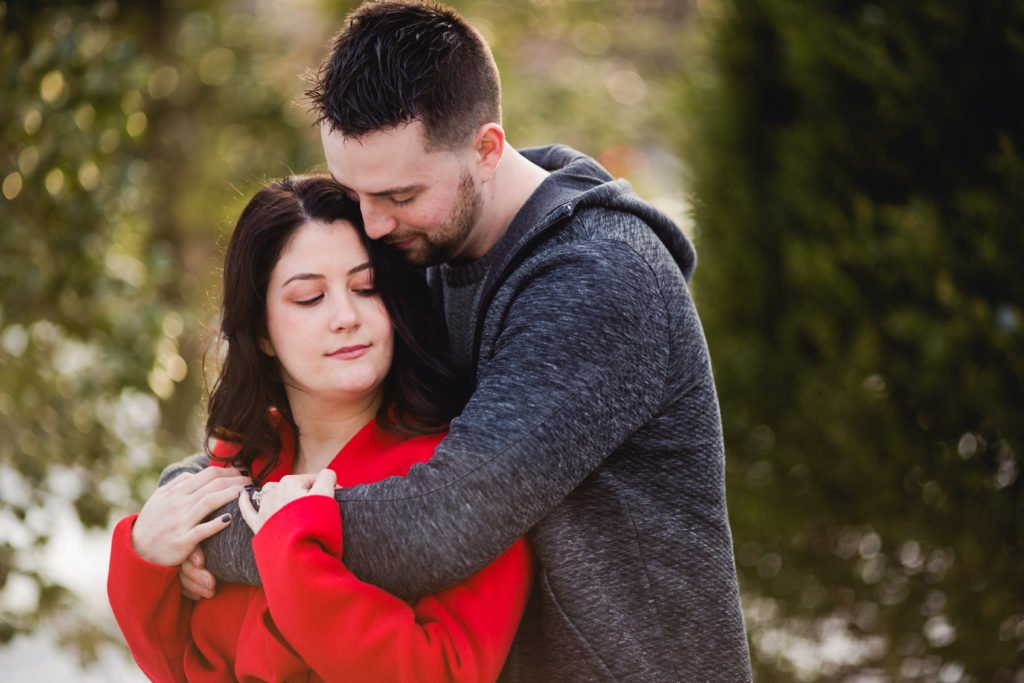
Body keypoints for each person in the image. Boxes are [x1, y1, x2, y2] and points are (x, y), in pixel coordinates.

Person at [173, 1, 753, 680]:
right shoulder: (430, 243)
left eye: (397, 194)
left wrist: (223, 537)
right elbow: (311, 411)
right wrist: (178, 497)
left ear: (486, 149)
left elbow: (444, 519)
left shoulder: (598, 279)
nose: (373, 223)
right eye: (355, 191)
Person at [107, 175, 533, 682]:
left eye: (366, 287)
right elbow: (177, 666)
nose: (346, 316)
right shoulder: (238, 458)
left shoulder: (454, 478)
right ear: (261, 331)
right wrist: (144, 556)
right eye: (310, 297)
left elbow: (443, 671)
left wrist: (295, 560)